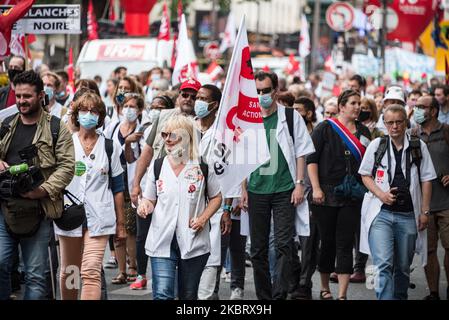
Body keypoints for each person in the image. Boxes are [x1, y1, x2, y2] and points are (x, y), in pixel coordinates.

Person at [0, 70, 75, 300]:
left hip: (39, 210)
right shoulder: (6, 124)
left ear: (41, 95)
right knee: (1, 264)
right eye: (18, 96)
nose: (21, 101)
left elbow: (66, 166)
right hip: (5, 208)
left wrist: (42, 190)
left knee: (36, 275)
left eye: (27, 96)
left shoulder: (55, 127)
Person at [241, 71, 315, 300]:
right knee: (257, 250)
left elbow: (302, 152)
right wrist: (242, 190)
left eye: (265, 90)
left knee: (284, 245)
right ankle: (264, 297)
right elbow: (241, 158)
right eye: (258, 91)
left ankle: (279, 295)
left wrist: (300, 184)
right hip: (256, 190)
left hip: (285, 189)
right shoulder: (247, 120)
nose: (262, 95)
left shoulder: (291, 117)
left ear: (275, 91)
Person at [137, 115, 222, 300]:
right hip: (162, 239)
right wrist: (144, 205)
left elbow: (216, 198)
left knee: (188, 296)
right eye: (164, 134)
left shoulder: (202, 166)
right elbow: (150, 199)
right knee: (162, 294)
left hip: (193, 240)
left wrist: (202, 219)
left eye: (173, 135)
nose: (167, 139)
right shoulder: (158, 165)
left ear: (187, 137)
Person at [358, 104, 436, 300]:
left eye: (399, 122)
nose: (394, 126)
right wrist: (381, 194)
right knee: (382, 263)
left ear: (405, 123)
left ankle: (400, 296)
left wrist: (425, 212)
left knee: (402, 266)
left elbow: (427, 178)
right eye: (390, 122)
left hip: (408, 215)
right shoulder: (377, 145)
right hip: (381, 214)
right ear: (384, 124)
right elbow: (365, 175)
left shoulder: (418, 146)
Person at [56, 91, 126, 300]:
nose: (89, 114)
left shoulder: (110, 146)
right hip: (69, 215)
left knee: (91, 270)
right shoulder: (65, 143)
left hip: (99, 216)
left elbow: (118, 186)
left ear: (100, 116)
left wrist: (121, 224)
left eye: (94, 111)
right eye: (84, 110)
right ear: (76, 115)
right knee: (71, 271)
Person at [307, 89, 371, 300]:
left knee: (344, 243)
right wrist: (316, 188)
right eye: (353, 103)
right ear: (341, 106)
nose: (357, 106)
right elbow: (312, 161)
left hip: (352, 196)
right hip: (325, 195)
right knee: (328, 242)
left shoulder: (364, 132)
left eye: (359, 103)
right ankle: (325, 288)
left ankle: (342, 294)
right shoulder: (325, 128)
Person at [130, 78, 201, 207]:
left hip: (185, 185)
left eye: (193, 96)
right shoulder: (163, 116)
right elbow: (148, 151)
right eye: (185, 95)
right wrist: (136, 184)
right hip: (157, 181)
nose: (188, 99)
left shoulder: (200, 124)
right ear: (179, 96)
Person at [104, 93, 145, 285]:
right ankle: (121, 270)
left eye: (133, 106)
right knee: (115, 228)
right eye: (125, 105)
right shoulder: (112, 127)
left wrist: (129, 142)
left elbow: (132, 159)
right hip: (111, 183)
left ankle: (132, 266)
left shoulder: (142, 130)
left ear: (140, 110)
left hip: (130, 184)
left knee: (129, 228)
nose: (128, 109)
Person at [412, 95, 449, 300]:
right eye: (415, 106)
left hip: (446, 202)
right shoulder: (413, 135)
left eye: (420, 107)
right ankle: (434, 292)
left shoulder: (445, 131)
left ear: (433, 111)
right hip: (424, 204)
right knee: (429, 250)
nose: (416, 110)